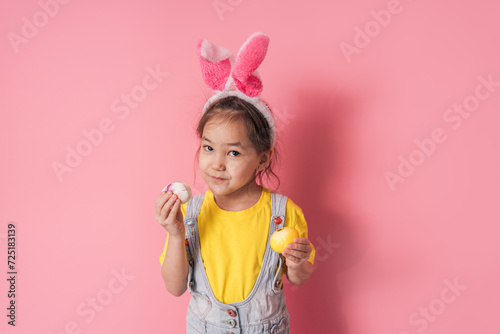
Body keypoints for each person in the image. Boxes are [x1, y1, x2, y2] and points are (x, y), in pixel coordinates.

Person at [155, 32, 315, 333]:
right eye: (208, 147)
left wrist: (297, 263)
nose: (217, 163)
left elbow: (299, 277)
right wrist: (175, 234)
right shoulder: (190, 214)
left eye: (234, 152)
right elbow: (175, 288)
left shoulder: (283, 212)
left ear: (263, 159)